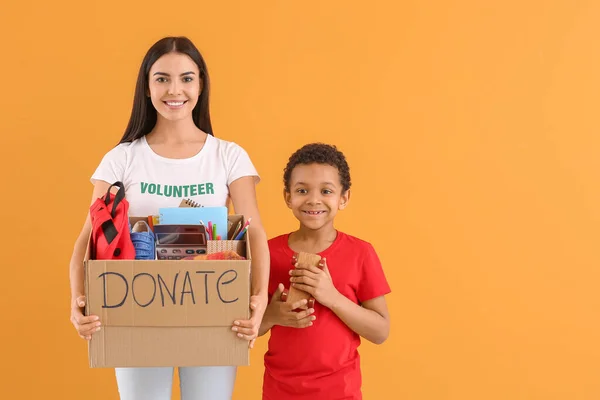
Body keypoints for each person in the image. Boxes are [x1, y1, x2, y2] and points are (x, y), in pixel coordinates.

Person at [68, 36, 269, 400]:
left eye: (186, 78)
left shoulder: (228, 156)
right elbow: (87, 237)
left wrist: (259, 298)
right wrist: (78, 298)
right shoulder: (122, 158)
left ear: (201, 84)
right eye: (162, 78)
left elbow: (254, 233)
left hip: (213, 309)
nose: (174, 89)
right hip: (135, 309)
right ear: (146, 87)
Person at [258, 143, 391, 400]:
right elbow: (245, 328)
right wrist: (271, 315)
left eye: (326, 190)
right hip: (279, 392)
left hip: (340, 392)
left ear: (344, 198)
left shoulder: (361, 253)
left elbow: (380, 332)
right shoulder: (267, 253)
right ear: (288, 197)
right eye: (302, 190)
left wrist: (331, 296)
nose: (313, 199)